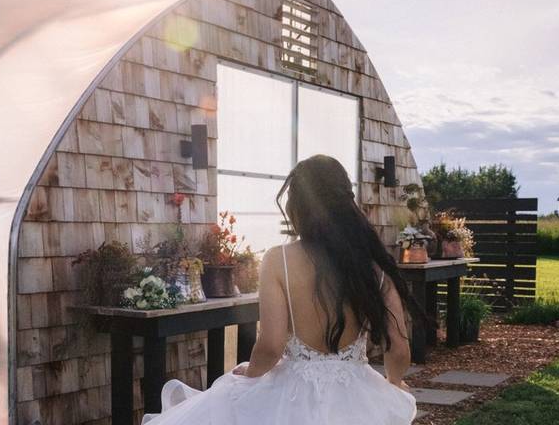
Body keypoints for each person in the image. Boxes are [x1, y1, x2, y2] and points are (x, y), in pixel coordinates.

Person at [142, 154, 420, 424]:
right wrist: (393, 384)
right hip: (357, 399)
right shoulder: (374, 268)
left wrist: (250, 374)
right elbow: (398, 349)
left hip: (291, 399)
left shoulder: (279, 260)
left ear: (298, 206)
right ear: (348, 203)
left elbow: (271, 345)